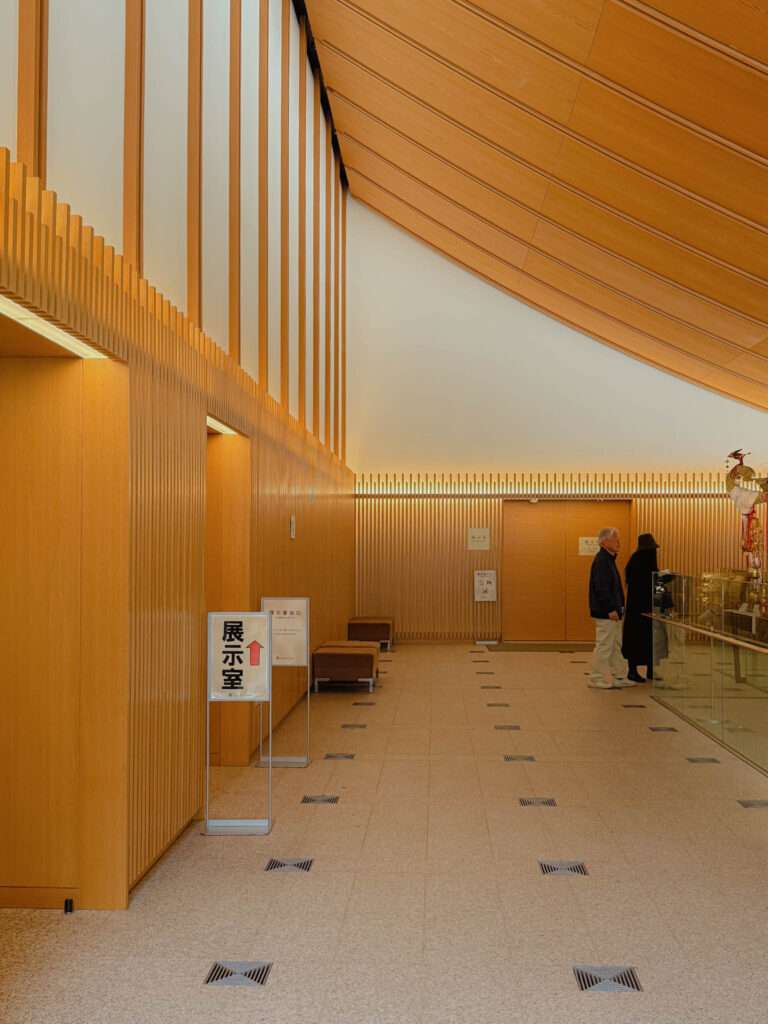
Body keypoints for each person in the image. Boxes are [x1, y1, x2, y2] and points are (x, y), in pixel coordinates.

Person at [588, 527, 633, 689]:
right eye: (615, 539)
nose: (619, 542)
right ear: (605, 542)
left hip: (614, 611)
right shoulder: (602, 560)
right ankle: (596, 677)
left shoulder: (609, 560)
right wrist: (610, 609)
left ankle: (620, 676)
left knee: (615, 645)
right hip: (606, 613)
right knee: (605, 645)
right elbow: (601, 588)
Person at [622, 533, 659, 682]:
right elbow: (653, 584)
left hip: (635, 609)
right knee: (648, 640)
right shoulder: (647, 562)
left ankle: (635, 670)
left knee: (636, 640)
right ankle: (648, 670)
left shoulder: (634, 560)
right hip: (646, 609)